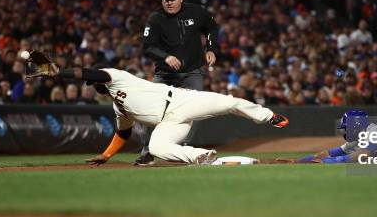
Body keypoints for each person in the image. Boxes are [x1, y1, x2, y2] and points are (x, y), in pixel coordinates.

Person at [31, 60, 289, 165]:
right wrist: (106, 155)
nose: (93, 85)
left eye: (93, 82)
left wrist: (59, 72)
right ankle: (202, 156)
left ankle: (268, 116)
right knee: (156, 148)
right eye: (92, 85)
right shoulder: (117, 105)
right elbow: (123, 132)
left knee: (229, 103)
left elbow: (88, 73)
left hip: (180, 101)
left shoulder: (116, 77)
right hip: (169, 122)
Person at [135, 0, 220, 166]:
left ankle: (186, 149)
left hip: (192, 72)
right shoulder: (155, 18)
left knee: (194, 111)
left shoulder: (197, 12)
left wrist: (212, 48)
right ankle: (147, 151)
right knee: (152, 112)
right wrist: (165, 57)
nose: (169, 2)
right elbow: (148, 46)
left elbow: (212, 28)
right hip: (165, 74)